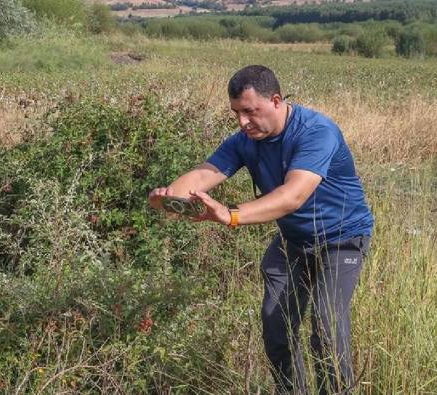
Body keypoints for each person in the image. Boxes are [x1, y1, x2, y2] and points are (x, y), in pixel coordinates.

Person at [148, 65, 374, 394]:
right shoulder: (245, 140)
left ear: (276, 101)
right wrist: (170, 197)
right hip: (293, 240)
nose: (242, 122)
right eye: (237, 113)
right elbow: (201, 175)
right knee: (276, 328)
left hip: (341, 239)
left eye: (250, 112)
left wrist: (231, 215)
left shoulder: (316, 131)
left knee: (326, 330)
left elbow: (292, 196)